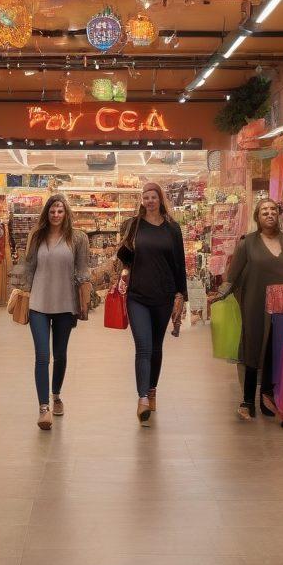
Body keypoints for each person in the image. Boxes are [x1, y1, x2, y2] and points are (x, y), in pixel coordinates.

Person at [218, 197, 283, 421]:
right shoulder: (248, 243)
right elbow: (233, 275)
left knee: (274, 348)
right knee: (253, 347)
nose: (269, 213)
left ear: (278, 214)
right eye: (264, 210)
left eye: (273, 209)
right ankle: (247, 401)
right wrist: (219, 295)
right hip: (255, 303)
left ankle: (267, 396)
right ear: (257, 217)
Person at [13, 194, 90, 430]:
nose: (56, 215)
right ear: (46, 213)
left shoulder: (78, 239)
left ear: (66, 213)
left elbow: (82, 270)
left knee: (61, 355)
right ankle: (43, 408)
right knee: (42, 356)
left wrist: (84, 301)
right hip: (38, 303)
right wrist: (22, 292)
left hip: (65, 304)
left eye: (60, 211)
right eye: (52, 211)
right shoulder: (37, 237)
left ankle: (56, 394)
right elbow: (29, 266)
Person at [117, 181, 187, 424]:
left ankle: (152, 389)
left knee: (156, 347)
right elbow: (124, 255)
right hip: (137, 295)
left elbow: (180, 263)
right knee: (143, 347)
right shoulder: (134, 225)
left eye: (153, 197)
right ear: (142, 200)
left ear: (160, 199)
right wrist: (124, 247)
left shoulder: (172, 228)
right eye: (145, 197)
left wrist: (181, 295)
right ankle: (142, 398)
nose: (149, 201)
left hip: (164, 295)